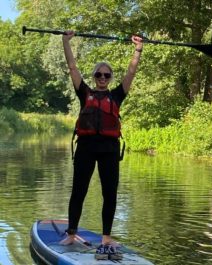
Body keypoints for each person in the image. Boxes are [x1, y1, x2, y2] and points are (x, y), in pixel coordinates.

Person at [59, 30, 143, 260]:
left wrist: (138, 50)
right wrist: (66, 41)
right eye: (99, 74)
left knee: (110, 194)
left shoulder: (117, 96)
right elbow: (72, 67)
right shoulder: (84, 92)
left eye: (106, 75)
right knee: (79, 191)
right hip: (86, 146)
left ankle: (106, 237)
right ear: (95, 76)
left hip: (109, 149)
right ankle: (71, 232)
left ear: (111, 78)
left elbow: (131, 72)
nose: (103, 78)